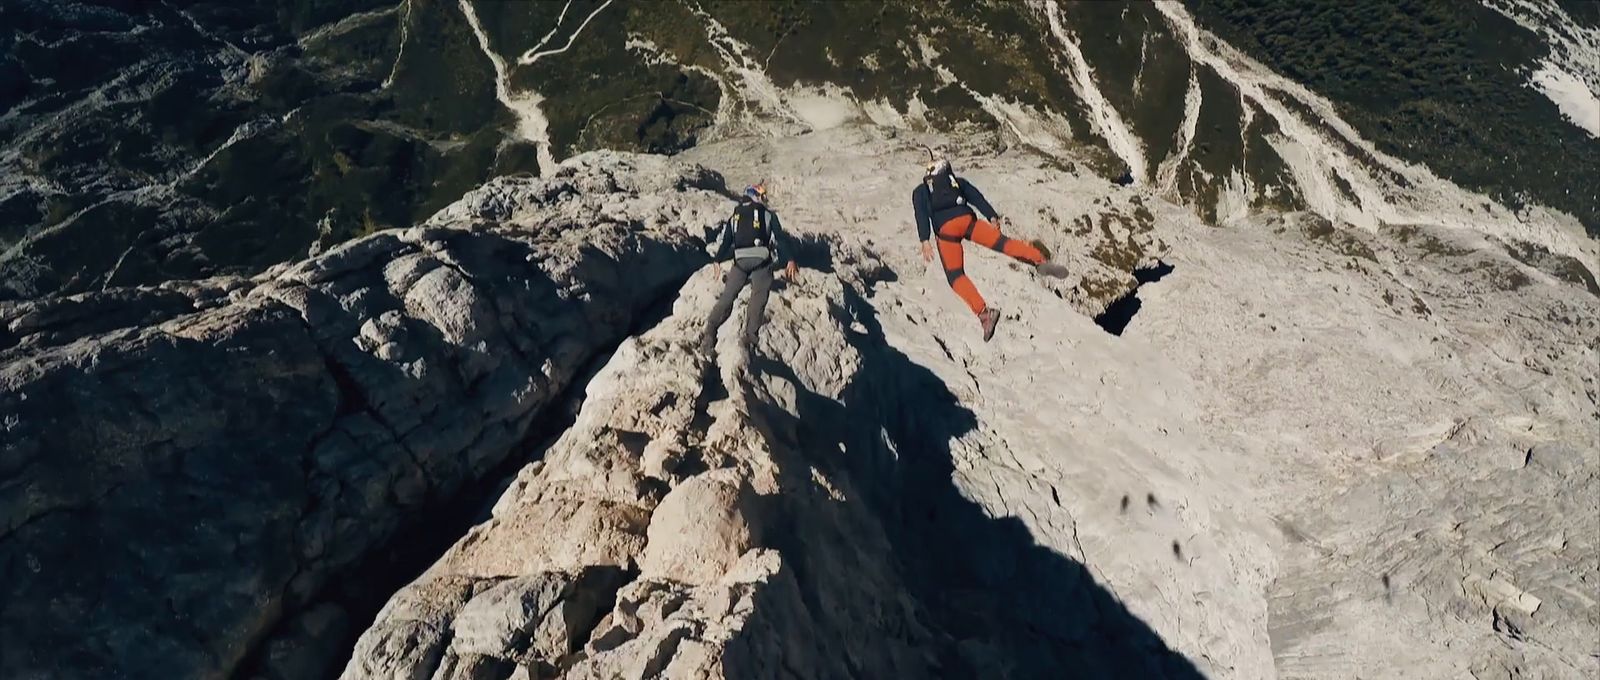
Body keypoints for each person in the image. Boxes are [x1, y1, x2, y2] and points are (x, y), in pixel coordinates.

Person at [913, 155, 1068, 341]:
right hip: (967, 220)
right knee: (1003, 244)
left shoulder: (921, 191)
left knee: (956, 276)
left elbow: (921, 214)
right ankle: (1040, 260)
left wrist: (925, 240)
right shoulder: (958, 182)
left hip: (947, 233)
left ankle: (985, 314)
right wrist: (992, 216)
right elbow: (976, 197)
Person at [701, 183, 797, 355]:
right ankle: (750, 337)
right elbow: (780, 239)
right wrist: (790, 259)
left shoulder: (735, 216)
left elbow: (727, 242)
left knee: (728, 296)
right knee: (758, 298)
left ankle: (710, 331)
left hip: (740, 262)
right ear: (756, 196)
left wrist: (717, 261)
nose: (764, 199)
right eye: (762, 196)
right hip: (761, 262)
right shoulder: (768, 215)